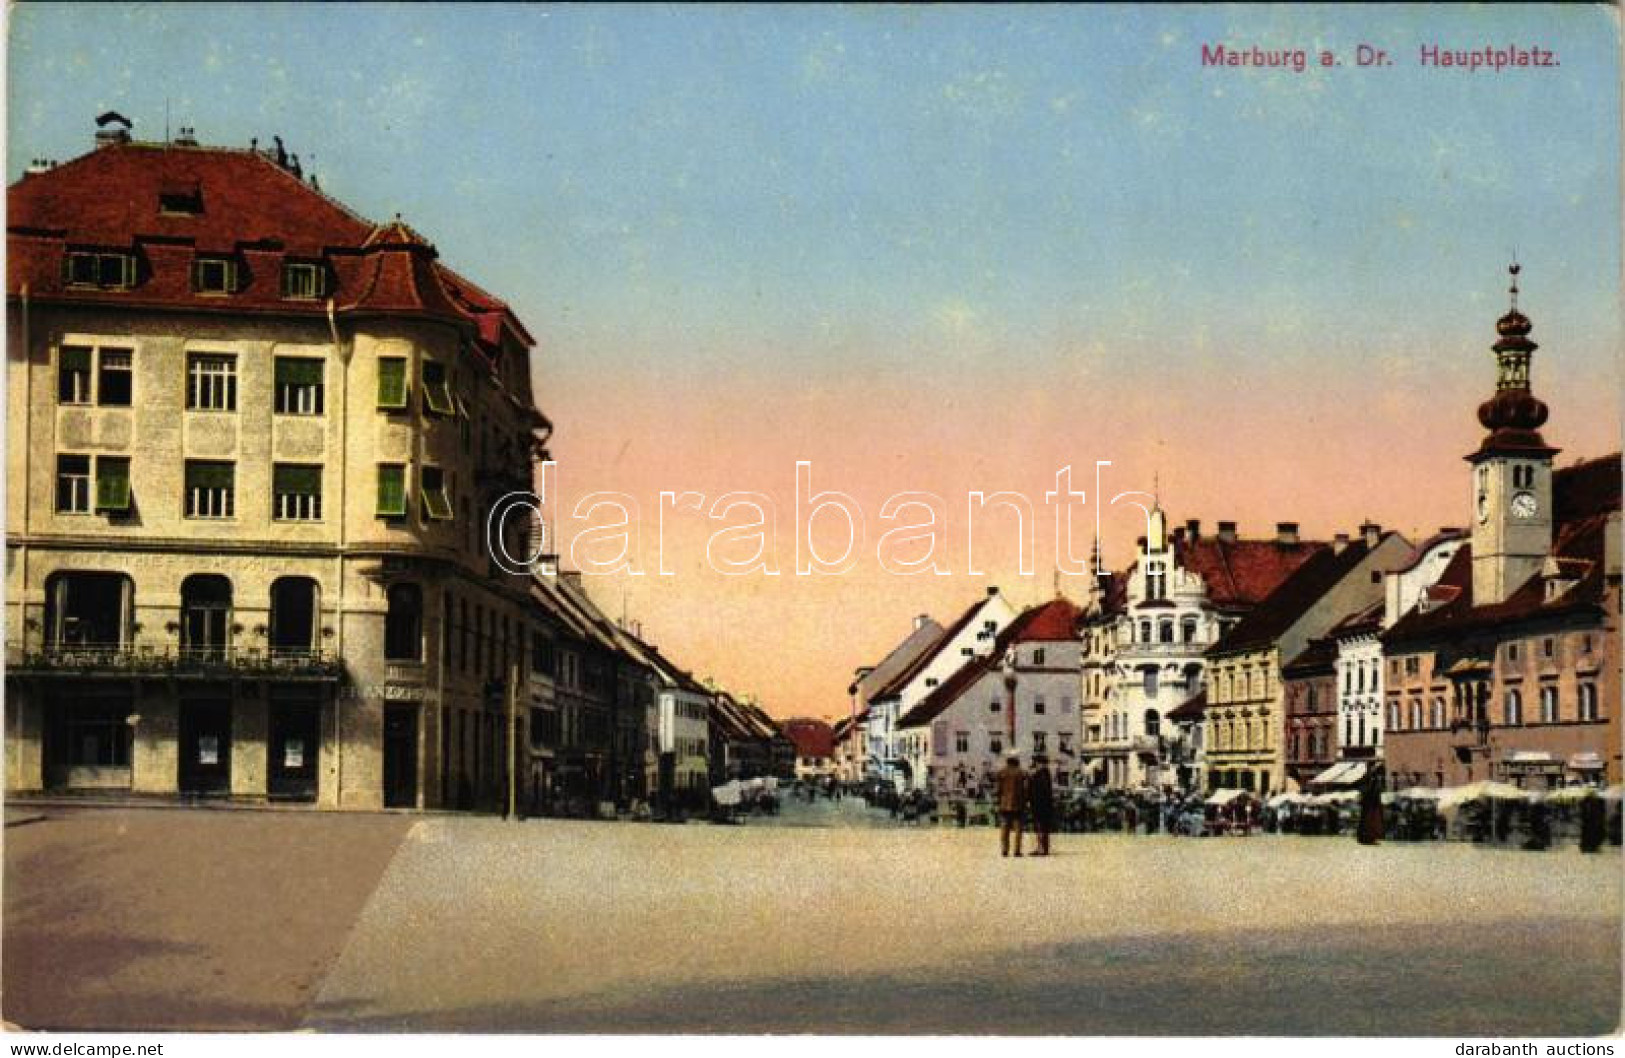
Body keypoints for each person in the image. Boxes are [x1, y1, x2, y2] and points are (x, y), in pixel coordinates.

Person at [996, 755, 1028, 857]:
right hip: (1018, 804)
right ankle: (1017, 851)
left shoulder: (1002, 772)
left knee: (1004, 828)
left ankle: (1004, 850)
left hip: (1004, 804)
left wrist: (998, 801)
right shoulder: (1022, 773)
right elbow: (1025, 789)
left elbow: (998, 789)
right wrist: (1025, 800)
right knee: (1018, 828)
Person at [1028, 755, 1056, 855]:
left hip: (1040, 805)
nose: (1034, 764)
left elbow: (1038, 791)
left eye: (1035, 762)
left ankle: (1041, 848)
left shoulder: (1041, 774)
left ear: (1039, 763)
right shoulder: (1045, 773)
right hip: (1044, 805)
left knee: (1040, 827)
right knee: (1042, 827)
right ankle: (1043, 848)